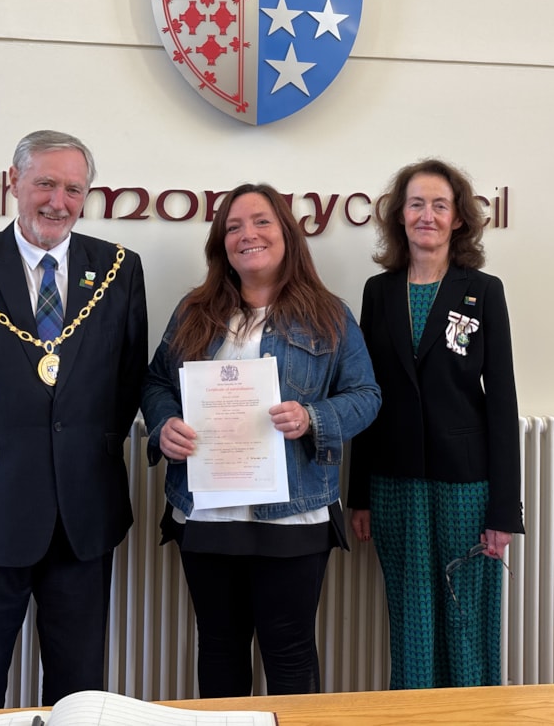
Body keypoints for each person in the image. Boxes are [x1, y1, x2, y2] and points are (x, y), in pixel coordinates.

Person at [0, 130, 148, 711]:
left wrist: (77, 450)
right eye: (45, 183)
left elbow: (126, 383)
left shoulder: (119, 269)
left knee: (80, 693)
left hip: (82, 514)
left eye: (73, 189)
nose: (58, 202)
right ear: (14, 182)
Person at [142, 183, 380, 698]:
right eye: (233, 226)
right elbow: (156, 382)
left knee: (290, 651)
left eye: (261, 222)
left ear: (288, 234)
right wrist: (164, 425)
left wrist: (313, 417)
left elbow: (366, 395)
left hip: (293, 514)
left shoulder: (329, 314)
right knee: (220, 648)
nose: (247, 234)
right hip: (206, 512)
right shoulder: (194, 311)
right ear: (221, 244)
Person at [347, 158, 524, 689]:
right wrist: (359, 495)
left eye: (439, 205)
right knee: (411, 620)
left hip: (467, 487)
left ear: (458, 219)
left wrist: (503, 510)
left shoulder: (483, 290)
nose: (427, 215)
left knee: (465, 616)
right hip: (394, 485)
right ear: (399, 217)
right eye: (417, 204)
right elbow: (366, 395)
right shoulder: (379, 292)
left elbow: (502, 403)